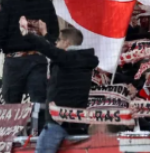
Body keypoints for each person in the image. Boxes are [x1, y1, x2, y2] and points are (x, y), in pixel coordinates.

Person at [17, 18, 98, 153]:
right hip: (75, 123)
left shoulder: (68, 59)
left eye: (59, 40)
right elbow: (56, 49)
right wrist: (45, 34)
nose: (56, 42)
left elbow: (50, 50)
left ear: (66, 43)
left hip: (58, 123)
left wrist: (27, 33)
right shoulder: (78, 59)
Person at [0, 0, 59, 105]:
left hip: (14, 62)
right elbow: (54, 33)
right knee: (39, 105)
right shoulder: (44, 1)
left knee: (11, 106)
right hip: (37, 59)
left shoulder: (6, 2)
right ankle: (38, 120)